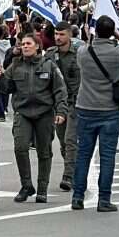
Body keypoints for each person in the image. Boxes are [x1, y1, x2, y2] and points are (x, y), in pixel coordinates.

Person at [71, 16, 119, 213]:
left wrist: (89, 38)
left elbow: (83, 51)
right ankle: (104, 199)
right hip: (109, 110)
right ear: (112, 32)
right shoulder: (117, 52)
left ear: (95, 31)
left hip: (85, 107)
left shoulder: (84, 51)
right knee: (107, 156)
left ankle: (77, 197)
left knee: (83, 154)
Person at [0, 31, 68, 204]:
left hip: (44, 113)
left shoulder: (48, 65)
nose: (25, 46)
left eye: (29, 44)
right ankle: (26, 185)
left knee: (44, 152)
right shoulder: (15, 65)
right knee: (20, 147)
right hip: (23, 113)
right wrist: (0, 78)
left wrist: (61, 111)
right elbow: (7, 89)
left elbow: (60, 89)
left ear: (37, 46)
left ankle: (42, 189)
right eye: (23, 44)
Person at [45, 22, 81, 192]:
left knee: (70, 139)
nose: (58, 38)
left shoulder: (80, 53)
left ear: (69, 35)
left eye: (62, 34)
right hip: (58, 104)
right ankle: (76, 170)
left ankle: (68, 175)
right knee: (62, 142)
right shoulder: (50, 54)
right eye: (56, 34)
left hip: (75, 102)